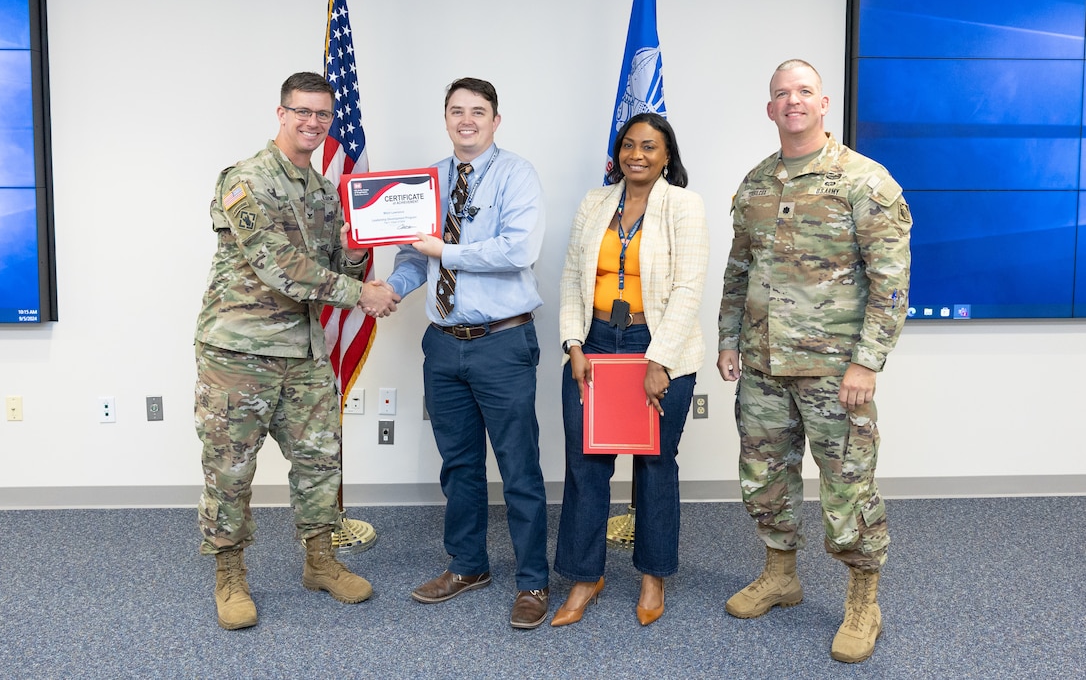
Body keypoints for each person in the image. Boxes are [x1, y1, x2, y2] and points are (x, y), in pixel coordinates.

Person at [717, 59, 912, 663]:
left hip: (835, 372)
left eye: (804, 91)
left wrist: (867, 362)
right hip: (764, 368)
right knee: (765, 480)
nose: (793, 101)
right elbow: (738, 272)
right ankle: (781, 575)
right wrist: (729, 339)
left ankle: (863, 600)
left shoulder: (865, 181)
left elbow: (891, 281)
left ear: (824, 103)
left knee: (847, 486)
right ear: (770, 109)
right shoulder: (754, 184)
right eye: (782, 93)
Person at [194, 72, 400, 630]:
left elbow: (335, 265)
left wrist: (362, 251)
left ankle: (320, 560)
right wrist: (365, 294)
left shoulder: (324, 192)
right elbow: (280, 268)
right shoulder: (246, 181)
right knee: (230, 471)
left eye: (322, 115)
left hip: (304, 350)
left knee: (319, 462)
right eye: (302, 112)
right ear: (281, 114)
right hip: (240, 352)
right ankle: (230, 575)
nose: (313, 123)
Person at [386, 77, 550, 629]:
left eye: (478, 112)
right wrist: (393, 287)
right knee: (458, 465)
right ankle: (468, 564)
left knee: (518, 466)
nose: (467, 120)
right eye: (457, 111)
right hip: (443, 344)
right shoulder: (427, 181)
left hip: (502, 342)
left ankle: (532, 580)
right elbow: (417, 258)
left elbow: (519, 250)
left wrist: (444, 249)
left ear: (496, 120)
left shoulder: (517, 174)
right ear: (446, 117)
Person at [552, 113, 708, 628]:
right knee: (585, 462)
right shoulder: (594, 203)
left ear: (667, 156)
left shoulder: (683, 206)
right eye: (628, 145)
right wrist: (573, 343)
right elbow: (572, 277)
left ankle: (653, 575)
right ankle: (583, 575)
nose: (636, 154)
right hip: (594, 343)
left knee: (657, 464)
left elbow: (688, 289)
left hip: (656, 345)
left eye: (649, 147)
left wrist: (658, 360)